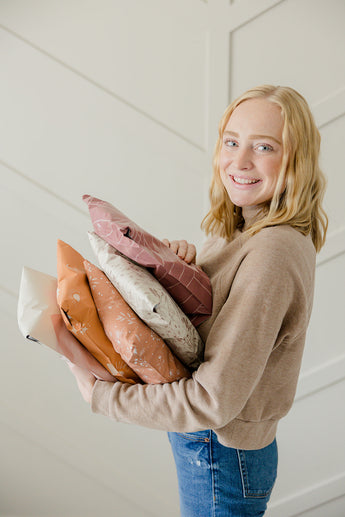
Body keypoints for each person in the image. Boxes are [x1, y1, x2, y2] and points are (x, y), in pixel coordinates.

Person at [67, 85, 328, 516]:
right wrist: (182, 270)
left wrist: (102, 396)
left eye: (263, 147)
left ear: (295, 159)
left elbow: (212, 400)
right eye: (231, 141)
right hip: (214, 448)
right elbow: (211, 336)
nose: (239, 162)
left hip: (220, 452)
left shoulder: (273, 251)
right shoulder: (243, 231)